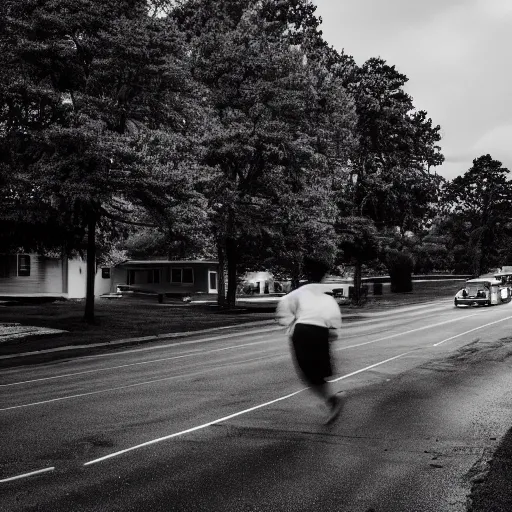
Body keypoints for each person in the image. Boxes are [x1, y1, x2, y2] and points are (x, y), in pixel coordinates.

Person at [276, 257, 343, 424]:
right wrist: (333, 330)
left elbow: (283, 306)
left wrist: (289, 322)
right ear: (323, 275)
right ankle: (330, 399)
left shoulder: (301, 291)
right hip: (321, 331)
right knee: (319, 372)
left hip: (303, 330)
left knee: (307, 374)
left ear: (307, 274)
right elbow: (333, 315)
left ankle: (331, 400)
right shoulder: (326, 294)